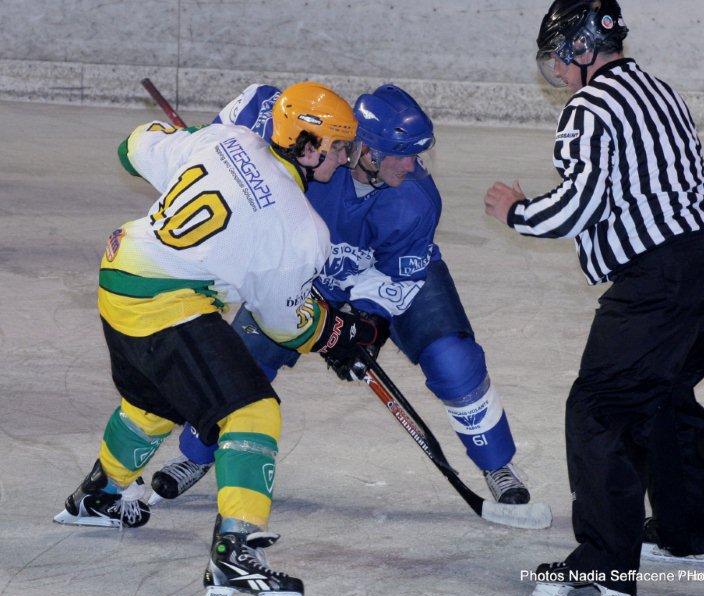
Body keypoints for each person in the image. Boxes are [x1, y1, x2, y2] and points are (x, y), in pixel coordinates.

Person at [53, 82, 386, 596]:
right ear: (308, 146)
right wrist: (339, 334)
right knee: (253, 412)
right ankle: (235, 554)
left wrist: (192, 140)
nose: (345, 159)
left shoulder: (227, 139)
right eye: (339, 147)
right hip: (164, 301)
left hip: (119, 275)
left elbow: (131, 147)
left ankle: (97, 496)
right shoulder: (301, 228)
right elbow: (285, 324)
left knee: (154, 401)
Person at [149, 82, 536, 510]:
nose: (413, 164)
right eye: (401, 153)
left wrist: (359, 330)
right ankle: (196, 452)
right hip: (306, 275)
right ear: (364, 150)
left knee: (453, 360)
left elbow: (396, 278)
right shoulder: (316, 156)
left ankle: (497, 464)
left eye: (416, 153)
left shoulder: (416, 200)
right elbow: (255, 109)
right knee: (244, 358)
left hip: (391, 273)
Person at [484, 1, 704, 596]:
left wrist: (516, 211)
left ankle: (602, 571)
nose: (558, 72)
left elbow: (580, 204)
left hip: (657, 280)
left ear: (581, 47)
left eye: (559, 57)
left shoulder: (589, 107)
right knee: (667, 396)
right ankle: (690, 534)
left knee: (601, 410)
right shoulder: (658, 89)